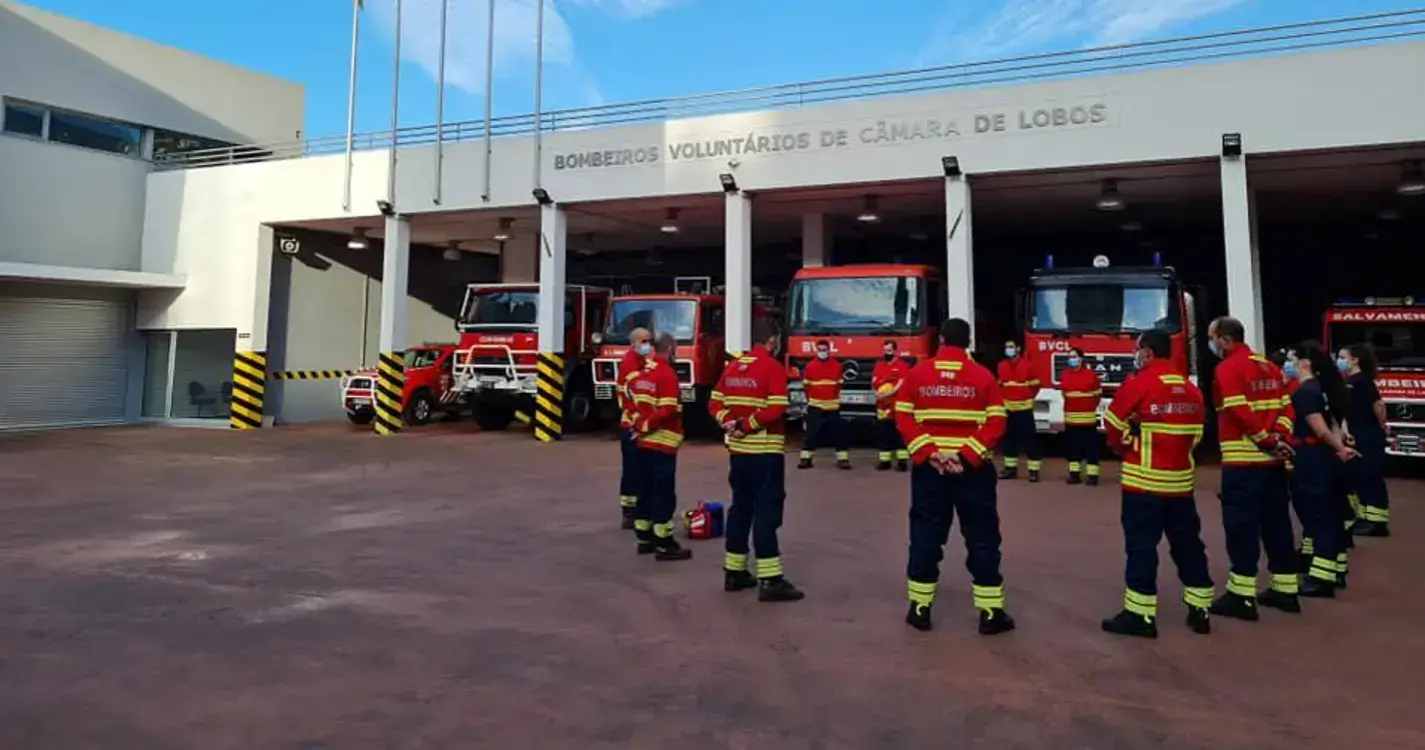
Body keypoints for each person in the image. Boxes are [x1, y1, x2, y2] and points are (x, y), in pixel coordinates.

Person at [896, 318, 1016, 635]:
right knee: (982, 537)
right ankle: (991, 613)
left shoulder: (917, 374)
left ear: (942, 341)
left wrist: (930, 452)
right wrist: (966, 456)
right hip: (972, 473)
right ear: (968, 342)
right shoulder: (983, 376)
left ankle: (919, 608)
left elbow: (903, 415)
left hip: (930, 471)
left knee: (926, 535)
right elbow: (997, 422)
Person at [1099, 328, 1214, 638]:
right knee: (1189, 546)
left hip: (1144, 484)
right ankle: (1200, 609)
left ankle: (1140, 615)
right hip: (1180, 484)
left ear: (1147, 352)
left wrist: (1126, 445)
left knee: (1141, 548)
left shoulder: (1140, 384)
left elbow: (1111, 425)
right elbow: (1198, 436)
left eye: (1138, 350)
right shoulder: (1190, 390)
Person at [1205, 317, 1299, 620]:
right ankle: (1286, 590)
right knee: (1277, 526)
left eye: (1212, 338)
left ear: (1224, 339)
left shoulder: (1228, 368)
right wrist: (1281, 438)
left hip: (1244, 463)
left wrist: (1267, 441)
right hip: (1272, 464)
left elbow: (1238, 410)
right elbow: (1287, 406)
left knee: (1242, 530)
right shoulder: (1269, 367)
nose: (1211, 345)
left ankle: (1241, 596)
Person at [709, 318, 804, 602]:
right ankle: (770, 578)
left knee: (741, 509)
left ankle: (734, 571)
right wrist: (746, 423)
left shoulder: (734, 366)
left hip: (739, 453)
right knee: (767, 513)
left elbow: (714, 402)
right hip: (765, 452)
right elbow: (776, 408)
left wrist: (729, 423)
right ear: (772, 340)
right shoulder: (773, 368)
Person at [1286, 341, 1358, 598]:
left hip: (1312, 459)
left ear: (1305, 363)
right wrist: (1340, 449)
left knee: (1318, 518)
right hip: (1325, 459)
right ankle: (1336, 569)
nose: (1289, 364)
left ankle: (1321, 578)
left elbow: (1320, 429)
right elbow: (1334, 424)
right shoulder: (1324, 389)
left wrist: (1339, 448)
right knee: (1331, 516)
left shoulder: (1306, 392)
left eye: (1292, 359)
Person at [627, 333, 693, 562]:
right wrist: (646, 425)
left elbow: (633, 403)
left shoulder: (642, 374)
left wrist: (638, 424)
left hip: (643, 442)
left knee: (644, 490)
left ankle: (644, 538)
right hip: (662, 443)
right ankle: (665, 543)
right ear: (670, 349)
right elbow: (666, 411)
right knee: (663, 493)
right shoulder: (666, 374)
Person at [1341, 343, 1390, 537]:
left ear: (1355, 360)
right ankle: (1365, 517)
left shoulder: (1363, 382)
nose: (1340, 361)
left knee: (1370, 477)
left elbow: (1378, 406)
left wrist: (1380, 425)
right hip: (1356, 434)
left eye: (1343, 358)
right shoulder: (1349, 381)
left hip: (1368, 434)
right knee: (1359, 478)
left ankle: (1377, 522)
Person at [615, 327, 653, 530]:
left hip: (636, 423)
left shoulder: (641, 361)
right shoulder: (631, 364)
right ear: (633, 343)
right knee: (632, 470)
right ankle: (629, 512)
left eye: (650, 340)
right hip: (631, 424)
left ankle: (634, 509)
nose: (648, 344)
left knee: (636, 469)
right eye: (644, 341)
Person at [797, 339, 851, 471]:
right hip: (816, 404)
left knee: (839, 433)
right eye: (820, 350)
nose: (822, 352)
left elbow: (839, 385)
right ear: (817, 350)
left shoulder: (837, 366)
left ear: (828, 350)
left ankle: (843, 459)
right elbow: (806, 386)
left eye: (824, 350)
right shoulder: (810, 366)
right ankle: (806, 459)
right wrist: (811, 399)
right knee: (811, 432)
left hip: (832, 405)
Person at [996, 340, 1042, 481]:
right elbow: (1000, 385)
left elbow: (1036, 385)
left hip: (1024, 410)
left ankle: (1033, 471)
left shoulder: (1028, 366)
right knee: (1009, 441)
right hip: (1008, 410)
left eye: (1011, 347)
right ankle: (1010, 469)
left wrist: (1026, 397)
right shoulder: (1001, 366)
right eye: (1006, 347)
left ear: (1018, 348)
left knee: (1030, 440)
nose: (1008, 349)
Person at [1059, 347, 1103, 485]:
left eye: (1074, 356)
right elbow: (1064, 394)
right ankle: (1074, 475)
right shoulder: (1065, 375)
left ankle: (1093, 476)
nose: (1071, 359)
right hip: (1071, 420)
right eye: (1070, 357)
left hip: (1088, 420)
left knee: (1091, 449)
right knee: (1073, 449)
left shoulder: (1091, 375)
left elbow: (1098, 395)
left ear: (1081, 358)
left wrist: (1088, 408)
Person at [872, 340, 911, 471]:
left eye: (889, 350)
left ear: (895, 350)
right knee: (883, 433)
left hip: (897, 405)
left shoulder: (902, 365)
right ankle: (885, 461)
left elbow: (901, 383)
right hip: (882, 406)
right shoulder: (879, 364)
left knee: (899, 434)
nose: (887, 353)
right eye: (885, 350)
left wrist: (887, 394)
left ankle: (902, 461)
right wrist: (877, 394)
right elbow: (874, 381)